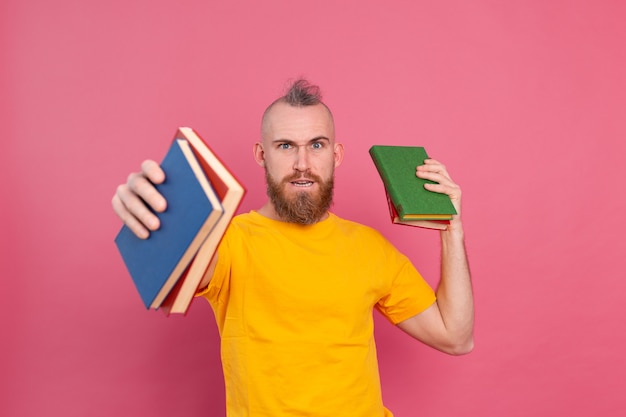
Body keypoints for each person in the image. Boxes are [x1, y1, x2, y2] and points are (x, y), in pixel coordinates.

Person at [112, 79, 474, 417]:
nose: (303, 165)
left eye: (316, 145)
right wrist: (148, 213)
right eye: (285, 146)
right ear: (261, 154)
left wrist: (451, 229)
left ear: (336, 154)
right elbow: (180, 262)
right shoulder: (231, 240)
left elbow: (455, 337)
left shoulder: (371, 247)